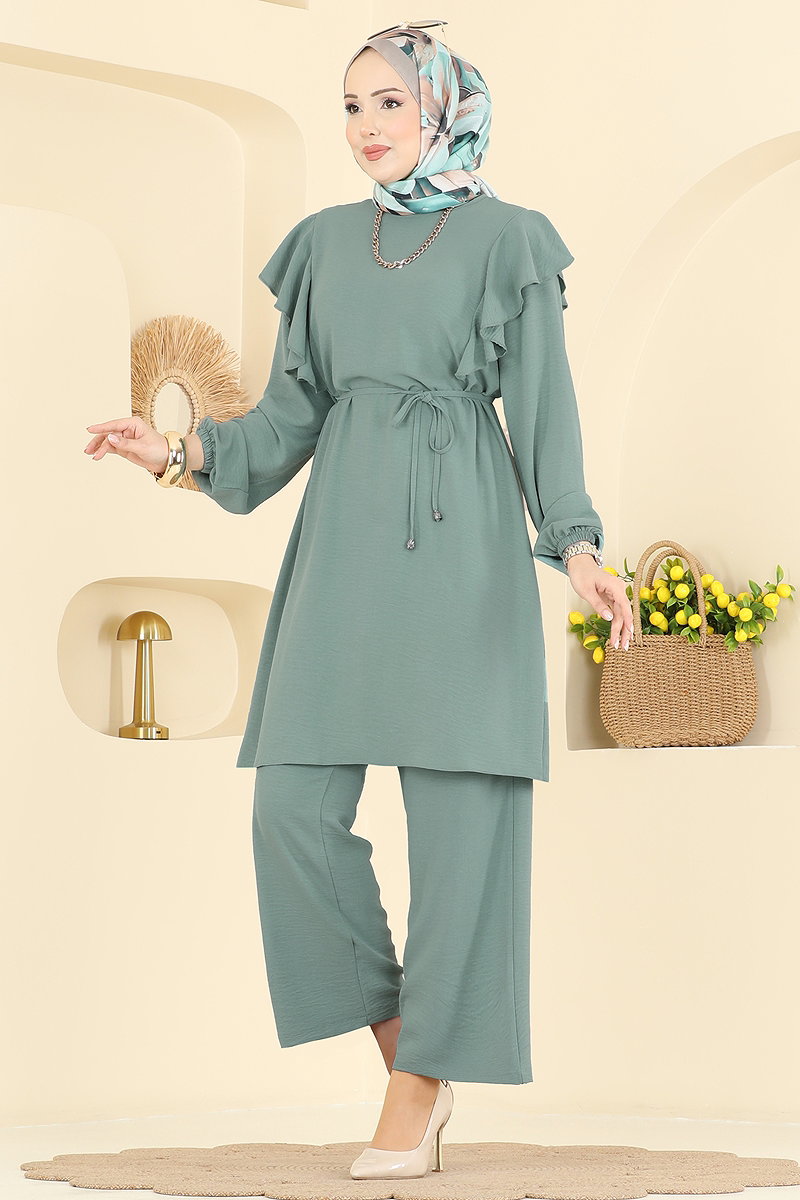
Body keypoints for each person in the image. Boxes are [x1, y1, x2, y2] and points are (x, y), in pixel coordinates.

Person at [85, 20, 634, 1181]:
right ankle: (407, 1052)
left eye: (388, 102)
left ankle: (418, 1088)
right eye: (349, 105)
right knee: (288, 812)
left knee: (461, 836)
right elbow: (286, 418)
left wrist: (578, 547)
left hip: (464, 552)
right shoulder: (326, 247)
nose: (365, 125)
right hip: (340, 556)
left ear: (442, 108)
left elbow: (545, 415)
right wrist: (176, 452)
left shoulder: (509, 241)